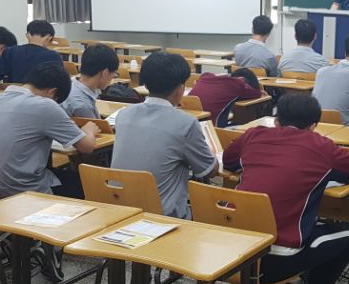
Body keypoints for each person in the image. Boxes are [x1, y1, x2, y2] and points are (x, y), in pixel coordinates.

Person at [223, 93, 349, 284]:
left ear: (276, 120)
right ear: (314, 126)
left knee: (270, 222)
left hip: (230, 253)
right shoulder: (320, 146)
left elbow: (228, 161)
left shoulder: (253, 135)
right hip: (272, 263)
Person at [111, 52, 218, 219]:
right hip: (162, 217)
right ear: (180, 89)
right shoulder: (185, 123)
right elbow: (209, 171)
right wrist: (211, 153)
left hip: (119, 209)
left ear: (146, 84)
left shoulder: (124, 114)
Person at [0, 63, 99, 202]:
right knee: (91, 183)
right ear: (52, 93)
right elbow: (87, 147)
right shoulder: (45, 105)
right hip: (25, 193)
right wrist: (89, 130)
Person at [0, 20, 63, 84]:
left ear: (28, 35)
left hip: (14, 99)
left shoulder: (10, 52)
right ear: (49, 38)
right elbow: (60, 84)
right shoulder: (53, 57)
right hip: (42, 100)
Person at [61, 43, 120, 119]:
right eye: (114, 74)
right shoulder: (83, 106)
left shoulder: (69, 84)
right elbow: (95, 126)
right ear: (105, 73)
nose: (113, 78)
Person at [189, 68, 264, 126]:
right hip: (213, 129)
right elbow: (256, 93)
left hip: (192, 124)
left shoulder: (205, 77)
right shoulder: (237, 84)